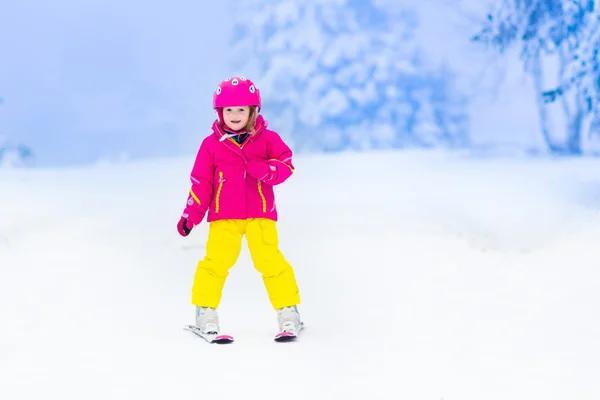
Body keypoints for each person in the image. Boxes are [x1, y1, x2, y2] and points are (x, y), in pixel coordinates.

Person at [177, 76, 303, 337]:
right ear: (220, 112)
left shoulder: (267, 139)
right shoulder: (211, 145)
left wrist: (267, 170)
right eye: (228, 110)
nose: (234, 115)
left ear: (252, 111)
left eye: (241, 110)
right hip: (225, 217)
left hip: (261, 215)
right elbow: (201, 182)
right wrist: (192, 214)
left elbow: (286, 163)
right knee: (216, 262)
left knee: (270, 262)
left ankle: (289, 312)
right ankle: (205, 313)